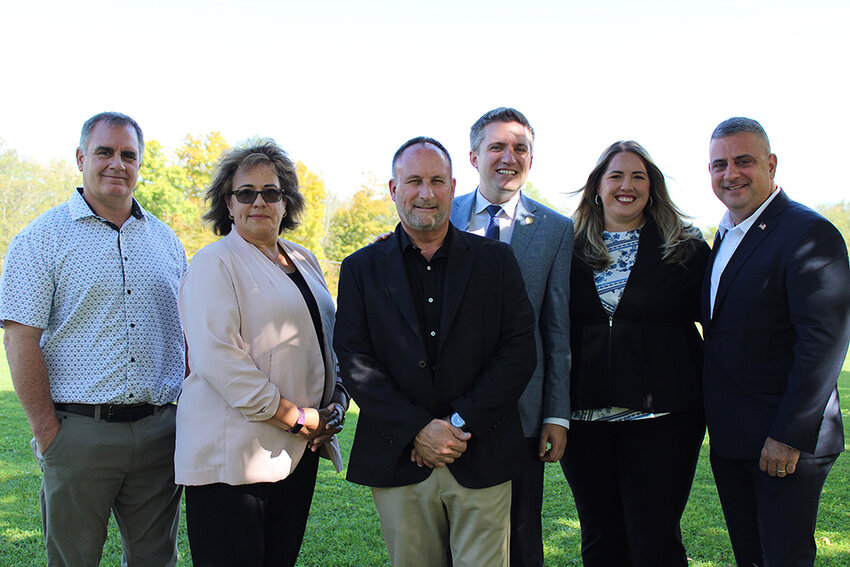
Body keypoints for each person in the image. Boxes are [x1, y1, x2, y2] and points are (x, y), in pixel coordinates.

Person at [334, 137, 536, 567]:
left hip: (481, 452)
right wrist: (417, 430)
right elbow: (354, 360)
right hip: (399, 457)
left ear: (452, 186)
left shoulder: (496, 262)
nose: (425, 193)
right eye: (414, 181)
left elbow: (518, 351)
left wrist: (457, 424)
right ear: (393, 189)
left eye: (436, 181)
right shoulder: (359, 269)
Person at [0, 111, 187, 566]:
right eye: (105, 152)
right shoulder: (40, 239)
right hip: (79, 433)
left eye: (128, 155)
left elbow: (184, 333)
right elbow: (20, 338)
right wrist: (49, 434)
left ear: (140, 164)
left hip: (161, 434)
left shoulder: (166, 241)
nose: (116, 164)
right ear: (82, 157)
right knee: (73, 560)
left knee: (155, 559)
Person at [176, 140, 346, 567]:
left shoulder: (303, 259)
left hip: (297, 452)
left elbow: (329, 337)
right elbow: (218, 359)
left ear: (286, 202)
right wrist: (296, 416)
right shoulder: (214, 264)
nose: (259, 202)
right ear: (227, 204)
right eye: (245, 193)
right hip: (233, 461)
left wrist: (336, 402)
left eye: (271, 192)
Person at [703, 117, 850, 567]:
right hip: (733, 438)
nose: (731, 174)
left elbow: (824, 341)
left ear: (770, 165)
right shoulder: (725, 233)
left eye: (744, 161)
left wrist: (788, 435)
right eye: (719, 164)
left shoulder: (807, 232)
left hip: (783, 443)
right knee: (751, 556)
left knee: (784, 558)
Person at [561, 141, 709, 566]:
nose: (627, 185)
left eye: (638, 177)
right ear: (597, 187)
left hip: (663, 422)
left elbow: (723, 321)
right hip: (584, 422)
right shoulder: (564, 248)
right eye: (616, 176)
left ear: (652, 188)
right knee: (601, 536)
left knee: (654, 539)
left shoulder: (686, 249)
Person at [449, 107, 572, 567]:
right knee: (449, 536)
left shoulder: (557, 230)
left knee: (521, 539)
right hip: (447, 407)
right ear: (474, 156)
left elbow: (556, 329)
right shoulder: (442, 213)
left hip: (522, 413)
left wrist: (556, 415)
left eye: (520, 148)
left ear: (531, 160)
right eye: (497, 146)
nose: (509, 156)